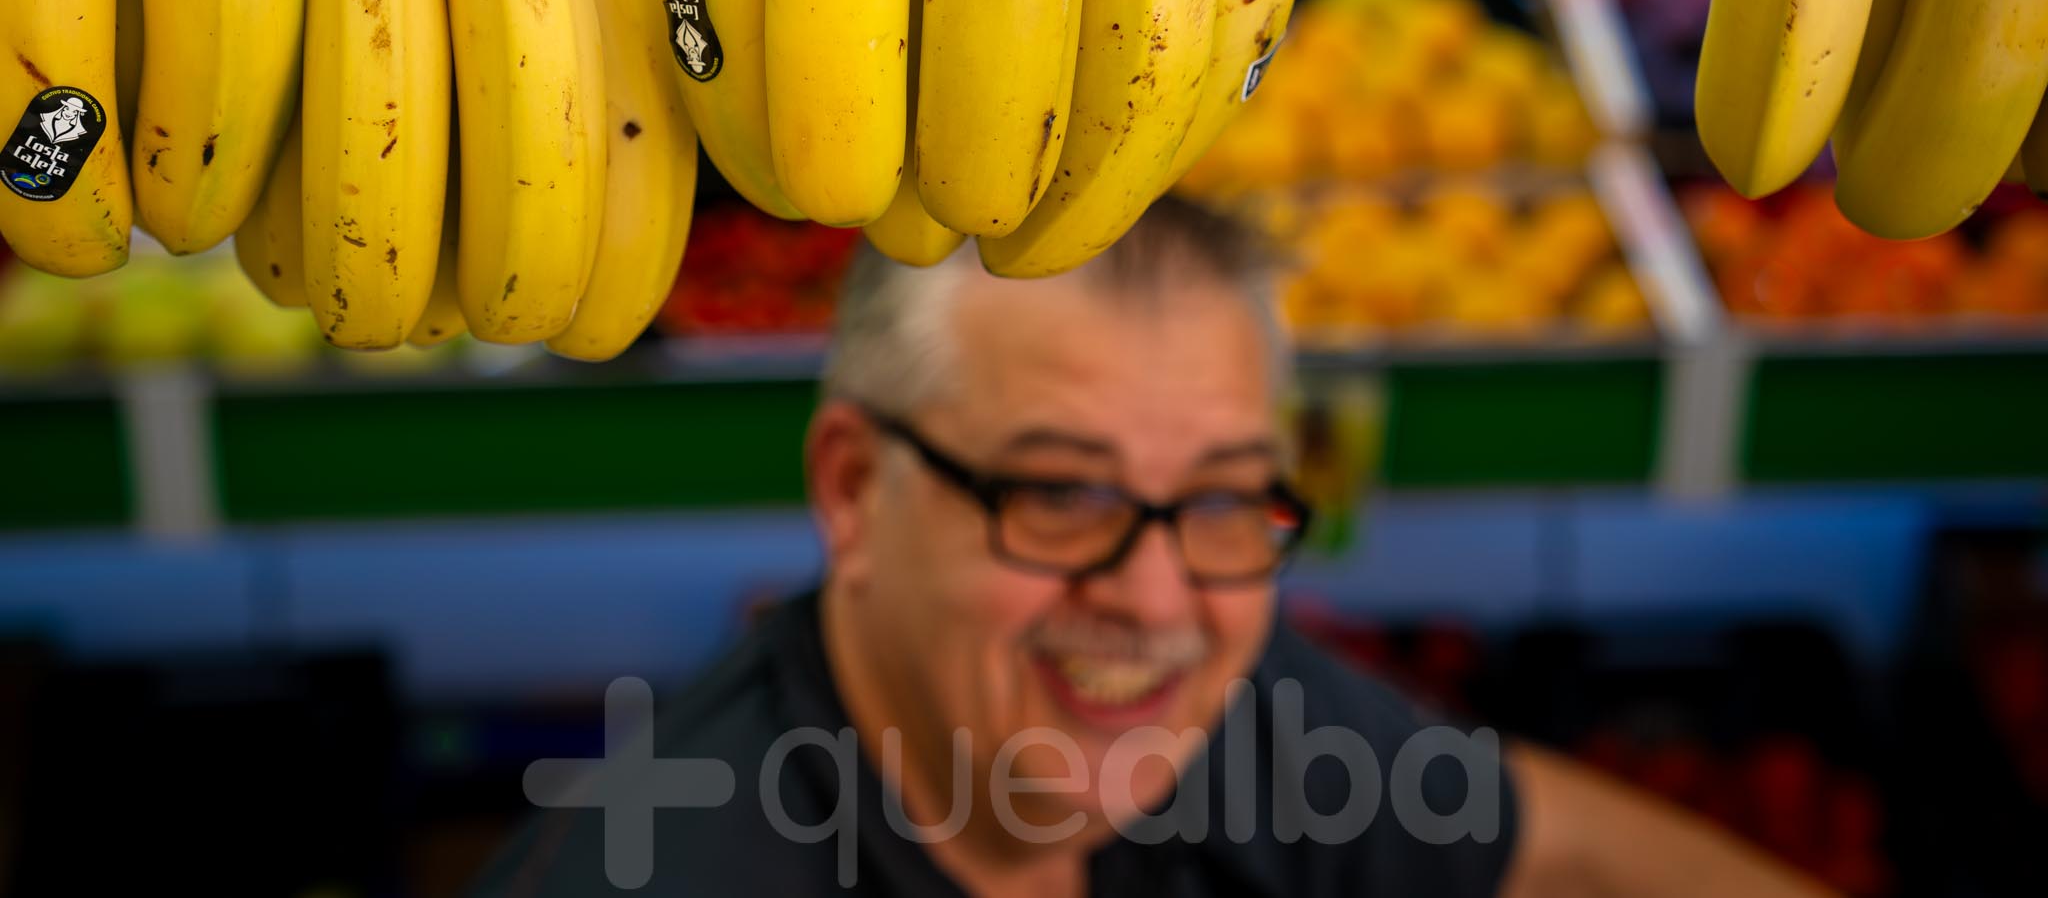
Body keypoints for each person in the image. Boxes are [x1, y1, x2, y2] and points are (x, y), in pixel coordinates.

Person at [471, 197, 1837, 896]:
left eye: (1226, 501)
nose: (1156, 597)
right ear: (851, 487)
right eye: (1062, 497)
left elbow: (1545, 855)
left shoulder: (1200, 697)